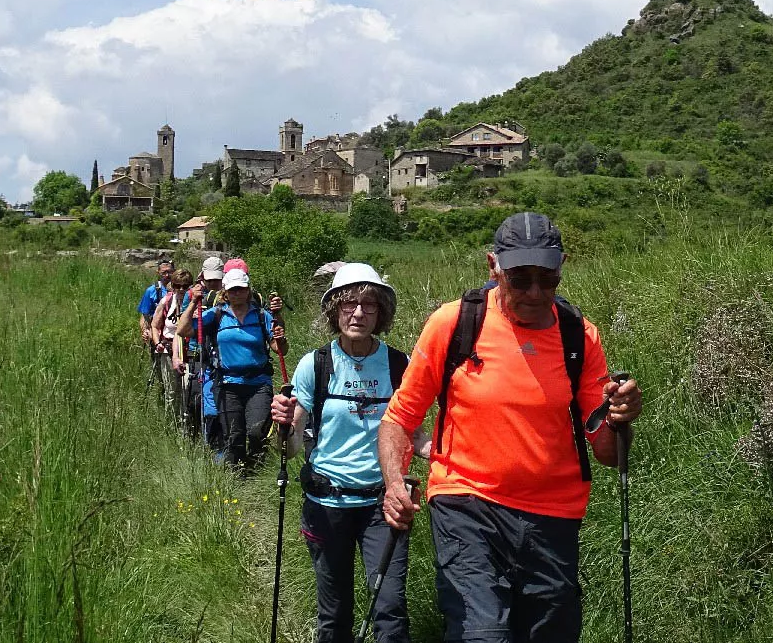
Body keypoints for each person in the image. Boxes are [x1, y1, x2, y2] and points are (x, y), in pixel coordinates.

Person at [378, 212, 643, 643]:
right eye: (521, 279)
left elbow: (609, 453)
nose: (536, 292)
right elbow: (399, 419)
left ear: (561, 268)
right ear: (493, 266)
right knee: (483, 634)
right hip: (467, 502)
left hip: (553, 516)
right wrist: (393, 484)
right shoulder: (455, 324)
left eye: (548, 278)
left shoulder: (580, 336)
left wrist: (620, 418)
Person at [270, 263, 425, 643]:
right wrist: (283, 424)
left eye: (369, 305)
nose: (358, 313)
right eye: (348, 304)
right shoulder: (316, 364)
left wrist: (452, 455)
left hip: (383, 504)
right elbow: (289, 450)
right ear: (334, 310)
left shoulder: (398, 365)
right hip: (327, 504)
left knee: (389, 610)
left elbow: (416, 436)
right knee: (334, 613)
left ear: (381, 313)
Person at [180, 267, 286, 474]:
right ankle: (238, 475)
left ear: (248, 290)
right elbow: (184, 330)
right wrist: (193, 301)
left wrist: (280, 333)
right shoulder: (216, 315)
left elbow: (279, 349)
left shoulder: (261, 315)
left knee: (257, 431)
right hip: (228, 384)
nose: (237, 293)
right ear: (225, 292)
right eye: (233, 289)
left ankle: (256, 468)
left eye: (241, 289)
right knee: (234, 435)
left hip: (258, 383)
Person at [178, 256, 225, 446]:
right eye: (210, 280)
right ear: (202, 278)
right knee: (196, 400)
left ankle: (216, 441)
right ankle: (194, 435)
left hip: (216, 354)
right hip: (196, 352)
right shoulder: (194, 295)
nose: (213, 283)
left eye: (217, 280)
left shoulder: (228, 296)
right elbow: (182, 325)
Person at [150, 268, 193, 426]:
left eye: (185, 285)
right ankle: (171, 426)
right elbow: (155, 325)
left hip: (189, 351)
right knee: (172, 391)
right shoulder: (167, 301)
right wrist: (157, 343)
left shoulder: (195, 301)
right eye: (177, 285)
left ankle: (187, 426)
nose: (181, 289)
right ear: (172, 286)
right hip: (168, 351)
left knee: (187, 390)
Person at [138, 259, 174, 402]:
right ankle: (163, 395)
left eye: (170, 272)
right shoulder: (152, 291)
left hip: (173, 335)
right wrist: (145, 331)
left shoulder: (178, 288)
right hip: (157, 336)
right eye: (164, 272)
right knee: (159, 370)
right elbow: (144, 315)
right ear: (158, 272)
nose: (167, 275)